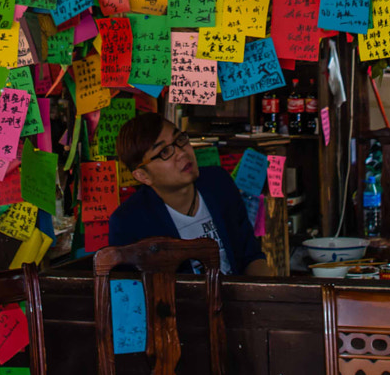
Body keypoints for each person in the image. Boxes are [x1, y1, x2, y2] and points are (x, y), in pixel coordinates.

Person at [107, 112, 274, 276]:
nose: (181, 152)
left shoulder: (219, 183)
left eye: (180, 139)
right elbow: (129, 292)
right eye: (164, 152)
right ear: (143, 175)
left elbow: (251, 256)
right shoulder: (128, 221)